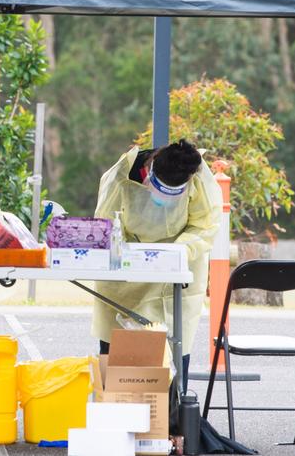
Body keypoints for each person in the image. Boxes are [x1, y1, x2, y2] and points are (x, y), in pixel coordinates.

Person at [92, 139, 222, 389]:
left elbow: (205, 224)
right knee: (115, 347)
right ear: (150, 169)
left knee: (174, 346)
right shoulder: (123, 174)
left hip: (174, 275)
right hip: (125, 277)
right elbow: (105, 222)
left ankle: (170, 415)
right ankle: (113, 407)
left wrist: (177, 251)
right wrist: (130, 253)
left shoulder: (197, 178)